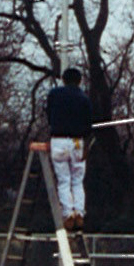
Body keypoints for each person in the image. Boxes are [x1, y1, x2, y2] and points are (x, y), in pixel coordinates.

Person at [46, 67, 94, 231]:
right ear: (79, 81)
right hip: (77, 142)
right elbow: (89, 126)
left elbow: (49, 116)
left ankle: (68, 214)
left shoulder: (54, 94)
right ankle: (79, 212)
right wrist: (86, 146)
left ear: (63, 80)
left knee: (64, 180)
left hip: (59, 140)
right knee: (77, 180)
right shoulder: (84, 99)